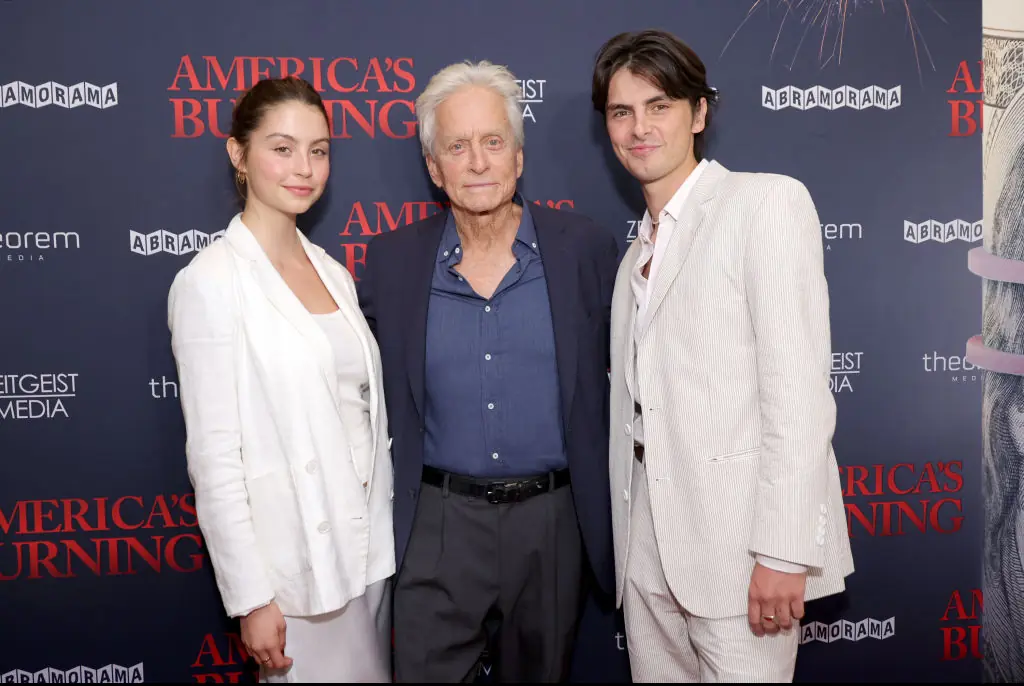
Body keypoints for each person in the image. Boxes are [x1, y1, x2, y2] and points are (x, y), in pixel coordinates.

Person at [591, 30, 855, 682]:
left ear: (699, 113)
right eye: (622, 112)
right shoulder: (633, 259)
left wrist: (784, 554)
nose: (639, 128)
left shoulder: (762, 203)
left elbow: (797, 395)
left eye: (659, 106)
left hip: (742, 550)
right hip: (646, 551)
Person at [356, 60, 620, 683]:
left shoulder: (585, 249)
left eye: (493, 142)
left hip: (552, 525)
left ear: (518, 157)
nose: (477, 162)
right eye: (457, 146)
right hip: (437, 523)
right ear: (434, 168)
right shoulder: (392, 261)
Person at [167, 76, 394, 683]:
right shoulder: (210, 282)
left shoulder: (333, 271)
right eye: (282, 148)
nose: (304, 168)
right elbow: (215, 458)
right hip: (293, 574)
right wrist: (250, 598)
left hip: (368, 557)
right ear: (238, 154)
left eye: (318, 150)